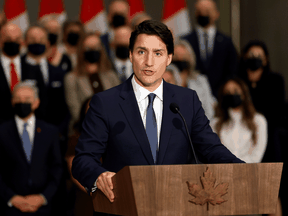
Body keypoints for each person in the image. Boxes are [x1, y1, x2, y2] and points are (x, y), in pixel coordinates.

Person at [71, 20, 244, 216]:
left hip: (176, 208)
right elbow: (83, 160)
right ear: (130, 55)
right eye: (141, 52)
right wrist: (98, 175)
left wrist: (245, 172)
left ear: (169, 58)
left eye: (158, 53)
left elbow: (211, 148)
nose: (149, 62)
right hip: (122, 208)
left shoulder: (187, 101)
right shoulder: (105, 102)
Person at [0, 81, 62, 216]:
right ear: (12, 102)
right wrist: (12, 198)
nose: (22, 103)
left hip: (44, 207)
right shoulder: (2, 131)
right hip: (9, 207)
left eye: (27, 99)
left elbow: (57, 167)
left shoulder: (50, 131)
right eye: (18, 99)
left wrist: (42, 197)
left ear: (36, 102)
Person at [238, 40, 285, 163]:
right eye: (251, 55)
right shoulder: (237, 82)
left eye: (259, 56)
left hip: (269, 136)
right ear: (244, 57)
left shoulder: (276, 80)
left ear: (265, 60)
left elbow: (277, 111)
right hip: (242, 136)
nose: (255, 59)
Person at [64, 33, 120, 136]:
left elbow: (120, 103)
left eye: (96, 46)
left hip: (112, 130)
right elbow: (75, 110)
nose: (93, 50)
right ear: (82, 50)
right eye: (89, 47)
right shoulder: (71, 78)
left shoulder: (111, 75)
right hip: (83, 131)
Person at [182, 0, 238, 97]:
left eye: (207, 11)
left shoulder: (226, 42)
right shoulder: (185, 41)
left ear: (216, 14)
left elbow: (232, 71)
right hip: (191, 96)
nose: (203, 14)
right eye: (200, 11)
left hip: (221, 98)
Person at [210, 78, 267, 163]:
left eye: (235, 90)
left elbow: (257, 155)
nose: (232, 94)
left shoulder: (258, 121)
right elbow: (214, 154)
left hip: (250, 172)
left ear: (244, 93)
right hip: (224, 173)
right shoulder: (215, 123)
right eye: (227, 92)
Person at [0, 23, 44, 123]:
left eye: (16, 39)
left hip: (30, 128)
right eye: (8, 38)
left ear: (22, 42)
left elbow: (43, 100)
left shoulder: (33, 67)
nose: (12, 41)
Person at [172, 39, 215, 120]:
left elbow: (209, 112)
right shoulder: (165, 81)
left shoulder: (201, 81)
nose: (180, 61)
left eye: (184, 57)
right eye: (176, 57)